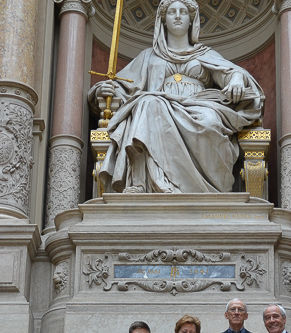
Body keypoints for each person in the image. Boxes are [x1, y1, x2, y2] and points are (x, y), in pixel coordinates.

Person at [88, 0, 263, 194]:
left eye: (183, 12)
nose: (178, 16)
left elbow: (230, 73)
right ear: (163, 21)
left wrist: (237, 79)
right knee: (147, 103)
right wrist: (105, 91)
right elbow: (123, 87)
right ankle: (147, 183)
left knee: (209, 121)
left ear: (191, 20)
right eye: (172, 12)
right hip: (157, 106)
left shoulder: (205, 54)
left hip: (200, 105)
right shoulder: (149, 56)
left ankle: (207, 188)